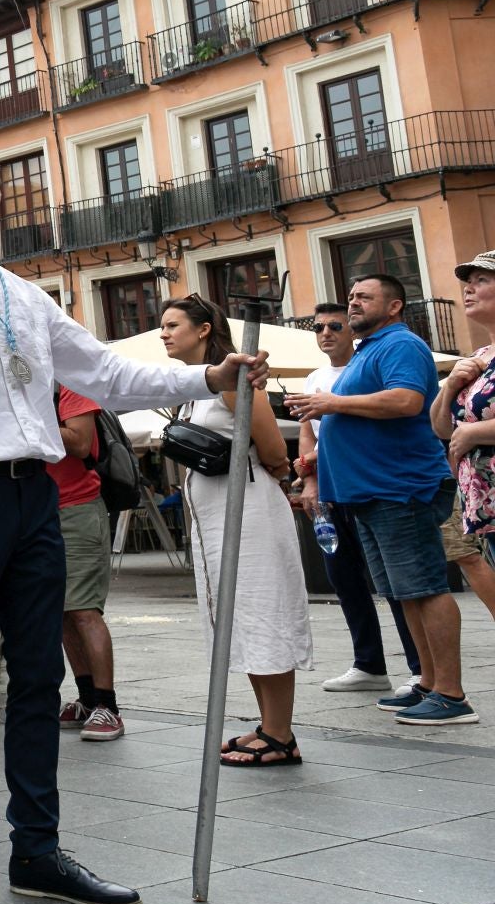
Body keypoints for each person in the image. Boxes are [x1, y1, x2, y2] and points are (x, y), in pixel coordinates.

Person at [0, 136, 269, 904]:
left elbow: (105, 372)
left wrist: (207, 374)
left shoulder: (25, 294)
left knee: (39, 676)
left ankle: (36, 848)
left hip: (37, 495)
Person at [287, 274, 475, 726]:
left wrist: (331, 404)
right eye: (351, 296)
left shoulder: (401, 345)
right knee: (403, 593)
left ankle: (451, 694)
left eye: (363, 297)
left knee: (425, 588)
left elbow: (408, 401)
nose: (352, 303)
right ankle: (427, 683)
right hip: (366, 493)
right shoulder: (368, 350)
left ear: (393, 306)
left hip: (397, 487)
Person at [162, 297, 314, 764]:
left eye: (172, 325)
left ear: (205, 329)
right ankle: (269, 726)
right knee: (238, 619)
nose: (163, 334)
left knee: (261, 611)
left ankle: (281, 734)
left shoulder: (233, 383)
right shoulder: (195, 387)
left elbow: (270, 442)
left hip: (247, 509)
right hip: (215, 515)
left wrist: (274, 468)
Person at [297, 302, 420, 693]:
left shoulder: (367, 367)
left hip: (370, 484)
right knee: (344, 579)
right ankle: (368, 664)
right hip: (331, 491)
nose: (326, 333)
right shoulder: (315, 377)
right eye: (318, 327)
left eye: (335, 325)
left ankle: (421, 667)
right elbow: (308, 433)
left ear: (352, 330)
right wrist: (310, 482)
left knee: (395, 581)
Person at [53, 386, 124, 742]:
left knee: (84, 610)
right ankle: (87, 698)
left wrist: (25, 418)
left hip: (77, 511)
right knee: (64, 612)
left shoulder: (69, 386)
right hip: (42, 512)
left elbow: (80, 443)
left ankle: (108, 705)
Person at [435, 249, 495, 611]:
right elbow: (441, 427)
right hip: (484, 509)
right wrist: (449, 388)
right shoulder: (479, 357)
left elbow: (460, 434)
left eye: (482, 281)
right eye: (467, 283)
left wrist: (474, 434)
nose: (468, 290)